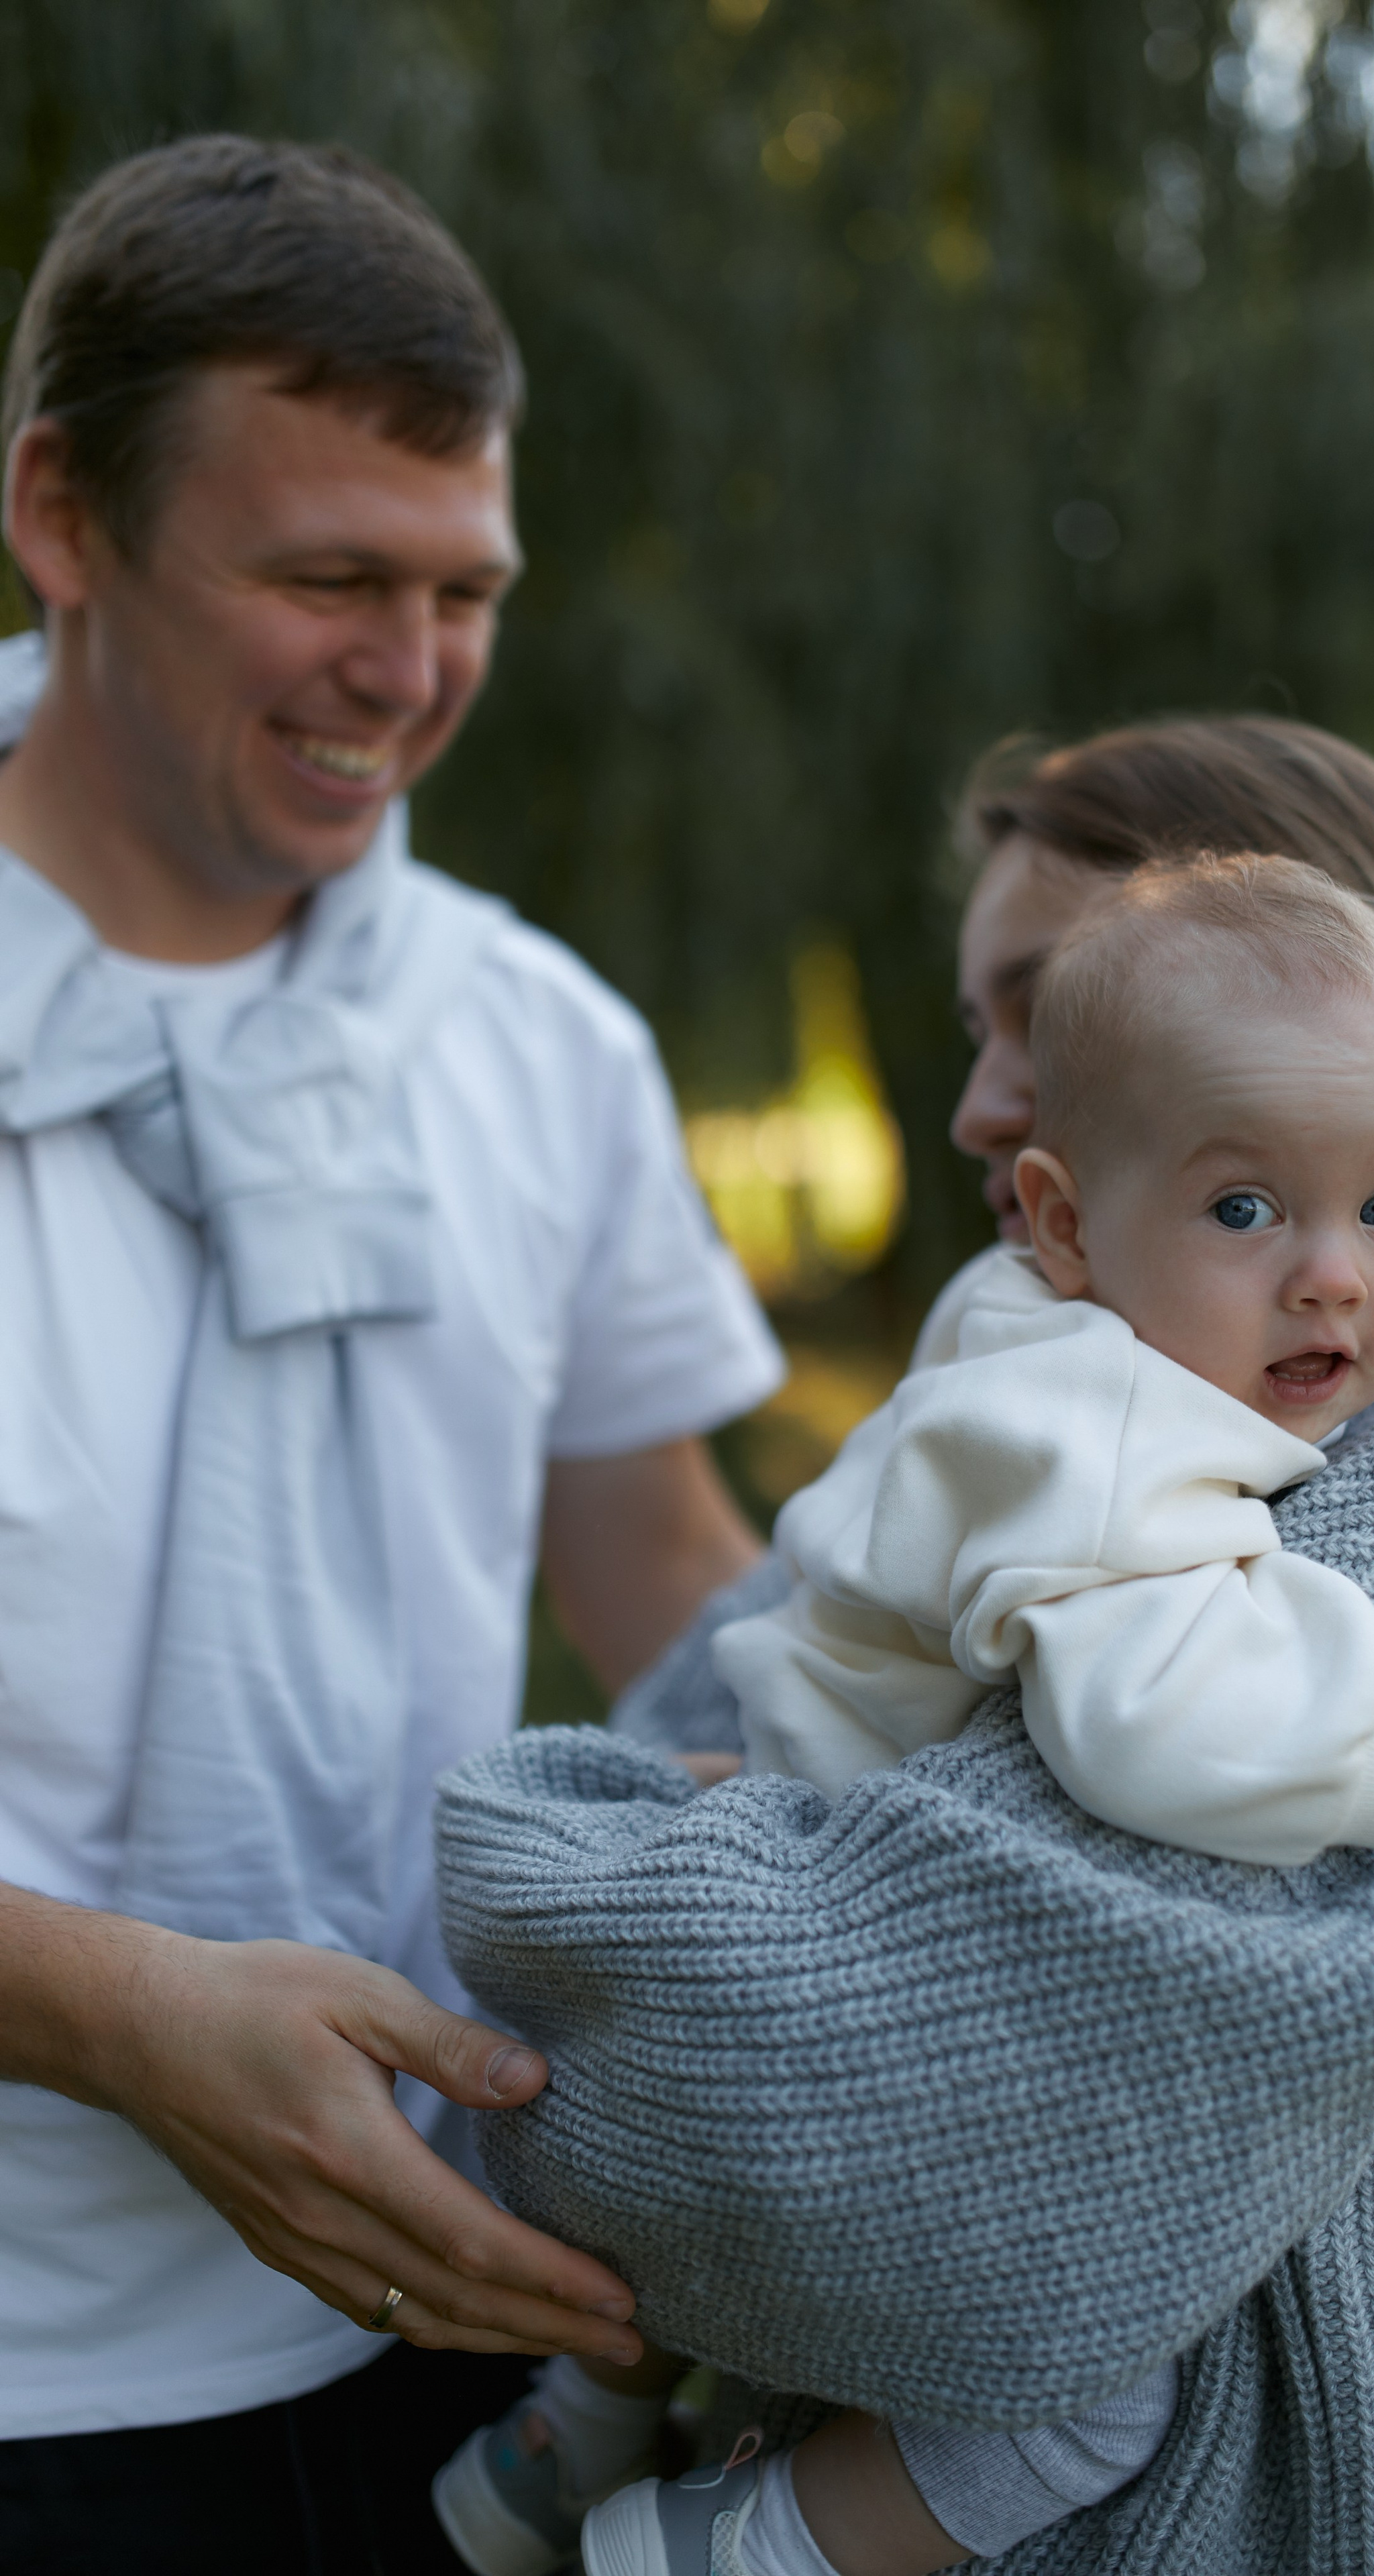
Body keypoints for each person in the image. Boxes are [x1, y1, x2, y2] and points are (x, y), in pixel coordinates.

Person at [435, 716, 1374, 2576]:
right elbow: (709, 1718)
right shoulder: (1099, 1383)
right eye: (980, 1031)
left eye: (1036, 1012)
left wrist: (678, 1860)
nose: (979, 1104)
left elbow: (757, 2073)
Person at [0, 137, 783, 2576]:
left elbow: (666, 1570)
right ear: (61, 517)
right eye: (329, 575)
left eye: (467, 593)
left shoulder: (544, 1046)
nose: (412, 673)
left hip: (440, 2334)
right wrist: (119, 2013)